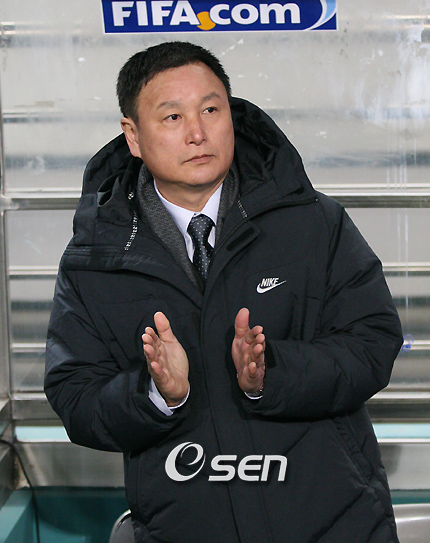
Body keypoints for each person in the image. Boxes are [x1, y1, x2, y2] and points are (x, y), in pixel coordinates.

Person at [45, 41, 403, 543]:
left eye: (211, 110)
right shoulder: (93, 259)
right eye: (173, 117)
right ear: (133, 136)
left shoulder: (314, 223)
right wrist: (155, 395)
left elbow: (374, 341)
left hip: (336, 523)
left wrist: (272, 372)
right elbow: (75, 395)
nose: (197, 133)